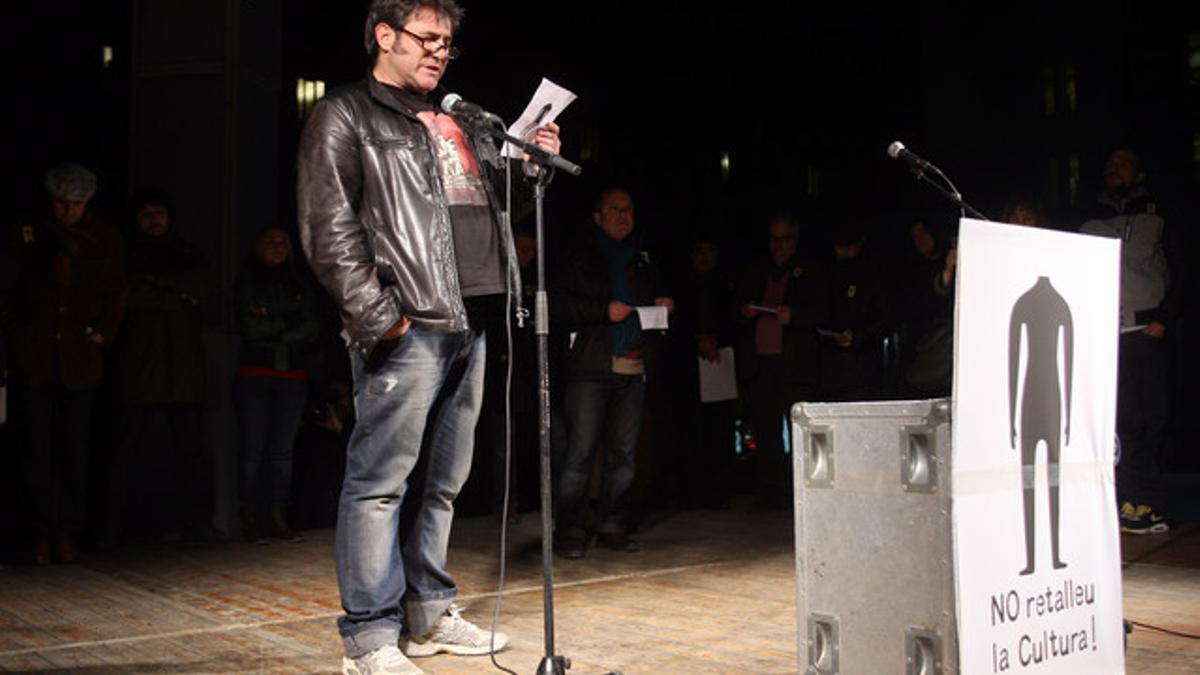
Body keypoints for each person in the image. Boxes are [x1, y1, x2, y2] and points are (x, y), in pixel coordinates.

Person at [296, 1, 561, 672]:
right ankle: (369, 638)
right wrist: (379, 315)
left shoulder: (455, 117)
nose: (440, 51)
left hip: (470, 317)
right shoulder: (346, 114)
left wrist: (530, 167)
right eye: (427, 38)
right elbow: (327, 230)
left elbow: (488, 206)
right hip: (406, 322)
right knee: (380, 481)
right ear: (384, 36)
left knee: (444, 481)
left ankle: (428, 612)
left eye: (448, 42)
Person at [1, 162, 126, 564]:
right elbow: (7, 290)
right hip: (36, 357)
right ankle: (38, 533)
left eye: (76, 204)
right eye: (62, 203)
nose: (68, 211)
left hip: (79, 359)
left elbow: (117, 292)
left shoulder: (103, 238)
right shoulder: (29, 234)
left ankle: (68, 532)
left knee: (75, 450)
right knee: (35, 451)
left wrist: (101, 333)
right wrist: (20, 335)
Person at [550, 187, 673, 559]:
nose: (623, 215)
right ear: (597, 217)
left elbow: (655, 302)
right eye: (615, 209)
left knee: (624, 455)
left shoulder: (644, 257)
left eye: (629, 209)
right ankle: (569, 528)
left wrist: (664, 303)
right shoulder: (579, 254)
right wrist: (601, 311)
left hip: (634, 367)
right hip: (590, 366)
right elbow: (557, 304)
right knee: (581, 453)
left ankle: (612, 524)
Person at [1079, 148, 1183, 534]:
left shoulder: (1157, 217)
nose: (1114, 168)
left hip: (1145, 331)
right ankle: (1124, 501)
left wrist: (1166, 318)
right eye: (1109, 163)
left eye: (1123, 162)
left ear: (1139, 173)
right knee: (1118, 421)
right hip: (1104, 335)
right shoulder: (1088, 220)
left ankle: (1147, 502)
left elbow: (1183, 269)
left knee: (1152, 419)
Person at [107, 187, 213, 545]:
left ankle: (196, 523)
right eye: (146, 214)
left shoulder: (187, 251)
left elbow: (201, 287)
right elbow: (129, 294)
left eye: (159, 212)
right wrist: (176, 295)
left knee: (192, 452)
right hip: (140, 366)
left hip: (182, 369)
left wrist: (162, 289)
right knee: (124, 450)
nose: (154, 218)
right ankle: (111, 526)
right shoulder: (127, 253)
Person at [233, 227, 320, 543]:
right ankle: (249, 518)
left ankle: (278, 517)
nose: (277, 246)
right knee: (253, 449)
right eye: (269, 240)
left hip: (292, 374)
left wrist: (273, 322)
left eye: (283, 241)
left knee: (283, 451)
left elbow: (311, 327)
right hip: (255, 372)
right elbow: (250, 327)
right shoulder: (247, 279)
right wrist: (289, 323)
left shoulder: (301, 282)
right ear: (256, 246)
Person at [736, 215, 827, 510]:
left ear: (796, 239)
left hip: (794, 365)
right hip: (761, 363)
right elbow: (736, 306)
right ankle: (770, 494)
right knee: (765, 431)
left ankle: (801, 494)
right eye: (774, 239)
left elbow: (826, 313)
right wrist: (745, 312)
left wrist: (796, 317)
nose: (779, 246)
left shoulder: (811, 271)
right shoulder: (756, 270)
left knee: (800, 433)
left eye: (785, 238)